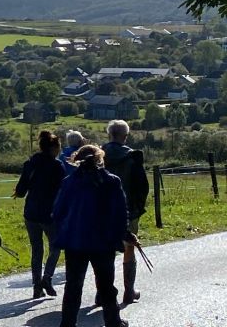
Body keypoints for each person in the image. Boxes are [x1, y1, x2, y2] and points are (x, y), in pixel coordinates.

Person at [51, 145, 133, 327]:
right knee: (106, 286)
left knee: (73, 286)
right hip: (104, 243)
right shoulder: (112, 182)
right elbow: (121, 213)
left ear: (76, 160)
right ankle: (113, 322)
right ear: (100, 159)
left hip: (75, 242)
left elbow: (57, 212)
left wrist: (65, 230)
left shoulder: (69, 182)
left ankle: (67, 324)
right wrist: (124, 234)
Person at [12, 131, 66, 298]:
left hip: (31, 212)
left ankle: (36, 285)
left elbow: (21, 189)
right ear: (54, 148)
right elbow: (62, 191)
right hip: (49, 213)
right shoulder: (57, 166)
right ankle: (47, 277)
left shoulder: (30, 163)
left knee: (37, 249)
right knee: (55, 247)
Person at [101, 120, 150, 304]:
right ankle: (128, 291)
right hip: (128, 210)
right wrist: (138, 207)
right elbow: (142, 187)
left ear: (109, 134)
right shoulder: (132, 157)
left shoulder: (98, 155)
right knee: (129, 247)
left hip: (102, 211)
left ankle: (103, 292)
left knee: (105, 252)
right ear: (125, 136)